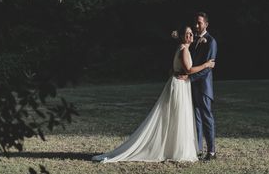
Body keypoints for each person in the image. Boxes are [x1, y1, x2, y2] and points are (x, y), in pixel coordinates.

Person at [92, 26, 215, 163]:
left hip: (179, 83)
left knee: (175, 117)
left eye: (191, 33)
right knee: (178, 116)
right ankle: (177, 151)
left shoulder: (181, 48)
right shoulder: (184, 49)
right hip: (180, 85)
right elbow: (189, 69)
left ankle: (173, 148)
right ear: (182, 36)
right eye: (187, 34)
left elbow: (175, 69)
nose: (191, 35)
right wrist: (206, 65)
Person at [182, 12, 218, 161]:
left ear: (206, 24)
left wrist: (190, 78)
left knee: (206, 118)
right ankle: (197, 150)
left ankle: (211, 151)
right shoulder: (194, 39)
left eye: (200, 23)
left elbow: (208, 68)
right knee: (196, 118)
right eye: (195, 23)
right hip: (193, 86)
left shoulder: (211, 41)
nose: (197, 25)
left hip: (203, 87)